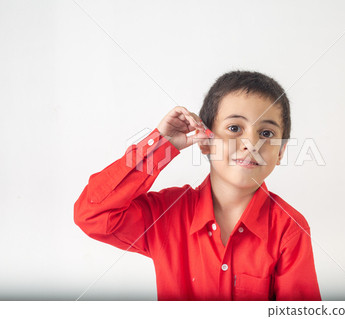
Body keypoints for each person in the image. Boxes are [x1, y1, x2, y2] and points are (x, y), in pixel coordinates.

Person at [74, 70, 321, 301]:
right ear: (205, 142)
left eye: (266, 133)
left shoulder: (290, 229)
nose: (251, 143)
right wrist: (161, 145)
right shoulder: (167, 215)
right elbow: (93, 214)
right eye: (234, 128)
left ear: (281, 152)